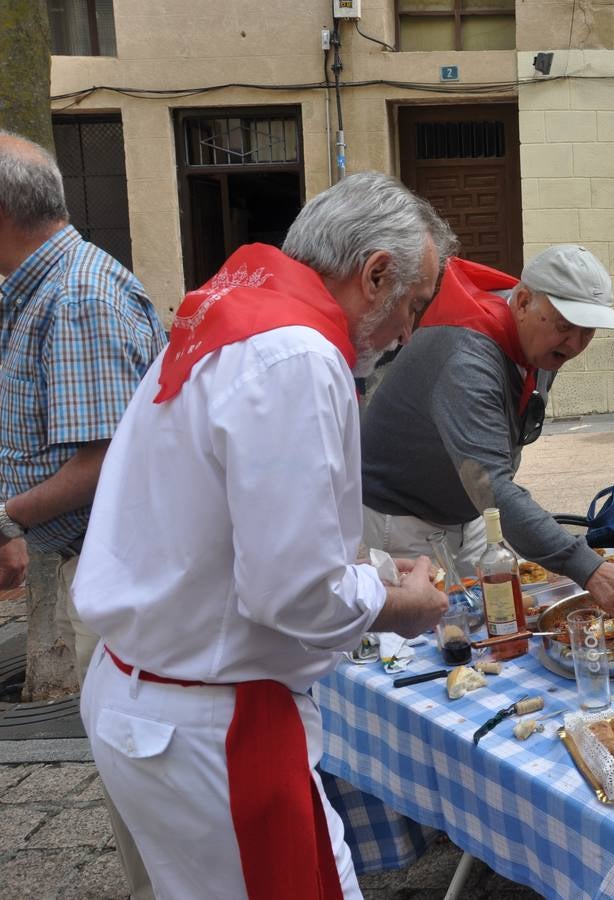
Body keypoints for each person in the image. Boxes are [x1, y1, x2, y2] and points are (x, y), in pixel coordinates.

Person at [74, 172, 455, 898]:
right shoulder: (297, 354)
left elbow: (224, 524)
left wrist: (366, 567)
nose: (407, 333)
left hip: (151, 691)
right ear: (374, 273)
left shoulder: (228, 313)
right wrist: (399, 603)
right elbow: (294, 592)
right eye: (411, 305)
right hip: (216, 719)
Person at [0, 130, 165, 898]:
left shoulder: (75, 299)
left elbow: (103, 463)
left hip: (120, 572)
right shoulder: (49, 283)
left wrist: (7, 518)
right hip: (103, 565)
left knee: (139, 787)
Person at [361, 246, 614, 617]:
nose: (576, 344)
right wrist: (587, 566)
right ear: (524, 301)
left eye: (588, 330)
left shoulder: (536, 338)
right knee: (431, 641)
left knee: (492, 622)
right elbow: (492, 485)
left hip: (470, 510)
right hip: (402, 518)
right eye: (565, 326)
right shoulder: (466, 356)